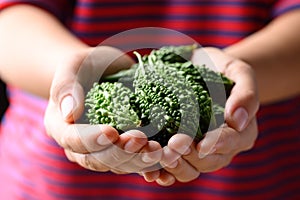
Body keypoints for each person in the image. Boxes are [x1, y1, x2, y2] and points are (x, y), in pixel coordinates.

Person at [0, 0, 299, 199]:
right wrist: (69, 75)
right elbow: (9, 20)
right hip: (51, 185)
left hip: (255, 183)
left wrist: (238, 74)